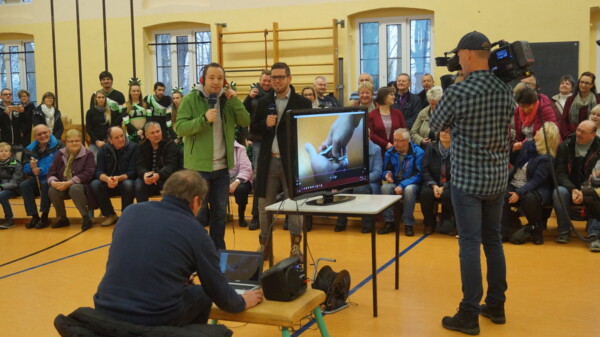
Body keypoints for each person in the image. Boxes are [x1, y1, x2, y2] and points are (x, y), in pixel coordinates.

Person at [93, 170, 263, 327]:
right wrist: (241, 302)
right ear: (196, 201)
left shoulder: (131, 211)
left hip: (104, 308)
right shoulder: (196, 232)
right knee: (201, 294)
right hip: (151, 317)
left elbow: (136, 256)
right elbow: (218, 291)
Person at [429, 31, 514, 335]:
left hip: (467, 182)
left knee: (469, 244)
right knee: (493, 242)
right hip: (497, 180)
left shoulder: (459, 91)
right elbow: (511, 133)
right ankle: (496, 304)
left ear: (465, 54)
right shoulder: (506, 89)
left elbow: (435, 125)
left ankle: (468, 314)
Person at [176, 62, 250, 251]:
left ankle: (218, 251)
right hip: (198, 169)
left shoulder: (227, 100)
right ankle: (196, 251)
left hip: (223, 169)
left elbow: (245, 120)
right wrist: (203, 120)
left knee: (219, 214)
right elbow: (180, 127)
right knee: (199, 215)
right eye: (212, 78)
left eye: (220, 78)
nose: (216, 82)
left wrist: (234, 100)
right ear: (203, 79)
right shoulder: (191, 99)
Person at [252, 62, 312, 261]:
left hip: (292, 163)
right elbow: (252, 130)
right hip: (268, 161)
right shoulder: (262, 102)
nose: (276, 81)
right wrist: (264, 124)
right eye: (273, 77)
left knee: (295, 205)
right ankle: (265, 246)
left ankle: (296, 246)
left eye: (280, 77)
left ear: (289, 79)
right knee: (264, 205)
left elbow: (306, 133)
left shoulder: (302, 102)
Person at [501, 122, 560, 244]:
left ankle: (536, 229)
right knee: (501, 195)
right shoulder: (527, 145)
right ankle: (503, 232)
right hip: (515, 183)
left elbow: (537, 181)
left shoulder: (546, 158)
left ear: (545, 137)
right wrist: (513, 151)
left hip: (538, 188)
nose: (536, 132)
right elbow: (513, 162)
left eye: (539, 131)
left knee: (529, 198)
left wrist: (519, 192)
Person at [553, 120, 600, 250]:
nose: (578, 133)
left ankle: (594, 234)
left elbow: (595, 174)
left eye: (583, 132)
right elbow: (559, 173)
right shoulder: (565, 146)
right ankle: (564, 231)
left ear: (593, 135)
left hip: (590, 185)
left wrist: (582, 190)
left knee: (597, 191)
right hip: (568, 185)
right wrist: (573, 189)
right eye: (578, 130)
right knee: (559, 192)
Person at [47, 129, 95, 230]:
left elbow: (89, 173)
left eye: (77, 140)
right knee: (52, 190)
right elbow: (52, 171)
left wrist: (70, 182)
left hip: (81, 186)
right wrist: (53, 182)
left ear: (81, 141)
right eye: (71, 141)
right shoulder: (60, 154)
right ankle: (62, 218)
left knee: (74, 188)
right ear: (66, 142)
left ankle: (86, 218)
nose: (74, 143)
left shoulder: (88, 154)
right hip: (63, 185)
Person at [378, 128, 423, 236]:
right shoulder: (390, 152)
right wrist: (386, 175)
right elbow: (384, 170)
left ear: (407, 141)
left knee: (408, 190)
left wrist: (402, 185)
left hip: (412, 183)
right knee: (385, 188)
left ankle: (408, 224)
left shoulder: (418, 152)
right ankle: (389, 222)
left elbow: (419, 174)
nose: (395, 143)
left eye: (399, 141)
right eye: (394, 140)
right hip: (395, 182)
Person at [334, 134, 382, 233]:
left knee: (361, 189)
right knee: (343, 190)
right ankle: (341, 223)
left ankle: (368, 224)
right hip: (353, 181)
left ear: (368, 137)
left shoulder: (376, 149)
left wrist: (362, 179)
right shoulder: (351, 149)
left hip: (371, 182)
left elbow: (377, 172)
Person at [91, 126, 138, 227]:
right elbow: (98, 171)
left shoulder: (133, 147)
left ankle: (126, 215)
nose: (121, 139)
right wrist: (107, 179)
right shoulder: (104, 149)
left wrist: (118, 178)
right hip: (109, 183)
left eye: (122, 136)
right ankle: (110, 215)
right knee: (95, 184)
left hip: (125, 181)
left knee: (128, 184)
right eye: (117, 137)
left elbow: (133, 172)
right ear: (110, 140)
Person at [243, 70, 273, 229]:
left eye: (269, 80)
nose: (266, 83)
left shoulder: (276, 94)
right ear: (259, 80)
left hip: (273, 140)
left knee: (274, 177)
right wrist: (249, 97)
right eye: (264, 80)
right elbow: (242, 113)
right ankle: (256, 215)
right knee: (258, 177)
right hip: (257, 141)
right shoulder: (253, 94)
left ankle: (273, 215)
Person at [20, 124, 63, 229]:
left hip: (54, 178)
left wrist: (41, 170)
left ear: (49, 132)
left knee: (44, 184)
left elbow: (59, 165)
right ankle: (34, 216)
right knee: (24, 185)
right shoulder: (29, 149)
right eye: (39, 134)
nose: (43, 136)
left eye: (45, 133)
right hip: (37, 177)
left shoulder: (59, 145)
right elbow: (24, 166)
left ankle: (44, 216)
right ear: (35, 136)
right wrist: (31, 168)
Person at [419, 128, 453, 235]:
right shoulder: (431, 147)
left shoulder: (458, 150)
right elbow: (424, 169)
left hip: (451, 183)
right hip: (432, 182)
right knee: (425, 193)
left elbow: (459, 173)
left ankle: (451, 223)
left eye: (448, 132)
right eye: (442, 131)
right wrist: (433, 185)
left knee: (449, 195)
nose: (444, 134)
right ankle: (429, 224)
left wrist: (444, 186)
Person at [135, 122, 179, 202]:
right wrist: (145, 174)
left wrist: (158, 175)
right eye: (152, 133)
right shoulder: (141, 146)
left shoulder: (170, 144)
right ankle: (143, 211)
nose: (156, 135)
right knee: (139, 184)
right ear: (147, 135)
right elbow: (140, 165)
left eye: (158, 131)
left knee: (173, 184)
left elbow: (171, 166)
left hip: (165, 177)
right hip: (149, 178)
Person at [511, 85, 557, 151]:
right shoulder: (518, 111)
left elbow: (552, 136)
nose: (526, 110)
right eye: (522, 106)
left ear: (534, 102)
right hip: (525, 149)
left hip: (542, 149)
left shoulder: (544, 110)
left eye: (528, 106)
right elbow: (519, 135)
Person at [368, 86, 406, 158]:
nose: (394, 97)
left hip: (396, 152)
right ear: (384, 96)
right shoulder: (371, 115)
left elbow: (403, 131)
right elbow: (371, 134)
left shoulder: (398, 113)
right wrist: (385, 144)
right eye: (391, 94)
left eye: (394, 95)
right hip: (378, 153)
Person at [561, 72, 600, 137]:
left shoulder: (598, 100)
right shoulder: (570, 100)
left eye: (587, 83)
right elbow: (564, 120)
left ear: (592, 85)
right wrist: (568, 136)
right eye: (582, 82)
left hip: (592, 137)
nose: (583, 85)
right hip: (571, 137)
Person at [86, 90, 122, 157]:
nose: (101, 99)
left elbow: (111, 128)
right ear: (95, 98)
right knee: (93, 163)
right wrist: (96, 141)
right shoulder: (90, 112)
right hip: (95, 142)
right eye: (99, 97)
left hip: (108, 142)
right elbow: (88, 128)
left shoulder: (110, 112)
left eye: (103, 97)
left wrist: (106, 140)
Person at [229, 140, 253, 227]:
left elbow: (246, 169)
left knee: (241, 189)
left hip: (240, 179)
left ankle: (241, 216)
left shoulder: (240, 149)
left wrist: (236, 182)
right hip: (221, 179)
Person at [0, 143, 23, 229]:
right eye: (1, 151)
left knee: (1, 195)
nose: (3, 153)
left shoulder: (16, 164)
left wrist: (2, 187)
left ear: (10, 153)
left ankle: (9, 220)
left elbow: (15, 182)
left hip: (14, 189)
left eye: (6, 151)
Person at [122, 77, 150, 144]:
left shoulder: (147, 105)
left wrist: (142, 131)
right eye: (134, 91)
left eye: (138, 91)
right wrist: (136, 132)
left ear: (140, 92)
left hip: (145, 134)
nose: (136, 93)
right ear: (130, 92)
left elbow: (149, 120)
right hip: (132, 135)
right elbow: (126, 122)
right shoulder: (125, 105)